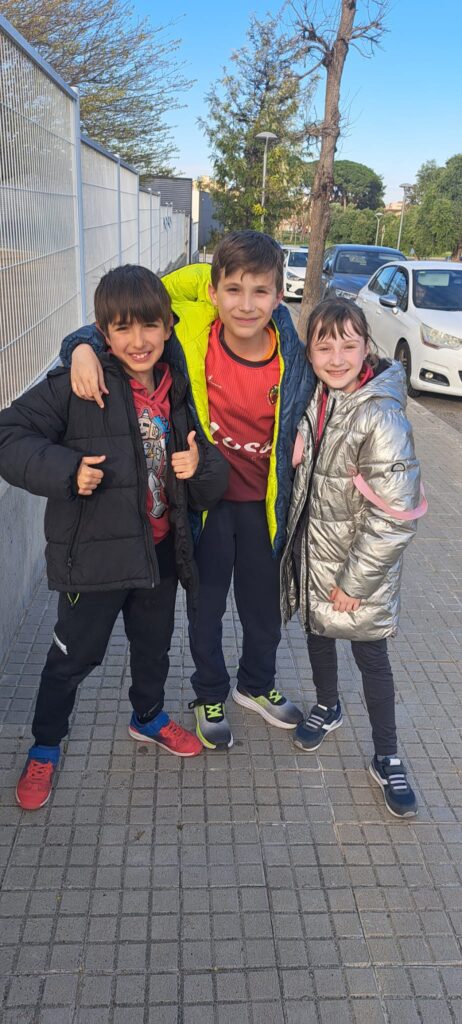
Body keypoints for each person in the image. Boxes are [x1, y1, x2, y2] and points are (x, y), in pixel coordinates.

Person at [60, 232, 315, 751]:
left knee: (263, 607)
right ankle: (209, 694)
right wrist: (80, 348)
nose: (247, 305)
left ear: (279, 295)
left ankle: (256, 684)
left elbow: (345, 371)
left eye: (261, 291)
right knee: (206, 608)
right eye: (233, 290)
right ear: (213, 292)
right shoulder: (191, 331)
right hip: (207, 503)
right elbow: (125, 324)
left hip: (266, 506)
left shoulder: (292, 350)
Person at [0, 265, 229, 810]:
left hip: (159, 554)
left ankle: (147, 717)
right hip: (94, 561)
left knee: (153, 648)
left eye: (149, 325)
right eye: (123, 328)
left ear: (168, 327)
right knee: (72, 658)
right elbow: (8, 435)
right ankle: (45, 745)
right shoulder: (79, 384)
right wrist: (67, 470)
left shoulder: (178, 387)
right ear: (102, 333)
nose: (138, 340)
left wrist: (199, 466)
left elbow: (210, 477)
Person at [280, 298, 427, 818]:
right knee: (317, 632)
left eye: (349, 345)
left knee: (371, 658)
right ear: (310, 353)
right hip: (316, 553)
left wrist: (355, 583)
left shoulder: (380, 415)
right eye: (325, 346)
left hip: (359, 570)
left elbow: (396, 518)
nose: (337, 358)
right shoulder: (316, 395)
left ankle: (387, 756)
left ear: (367, 347)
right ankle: (328, 705)